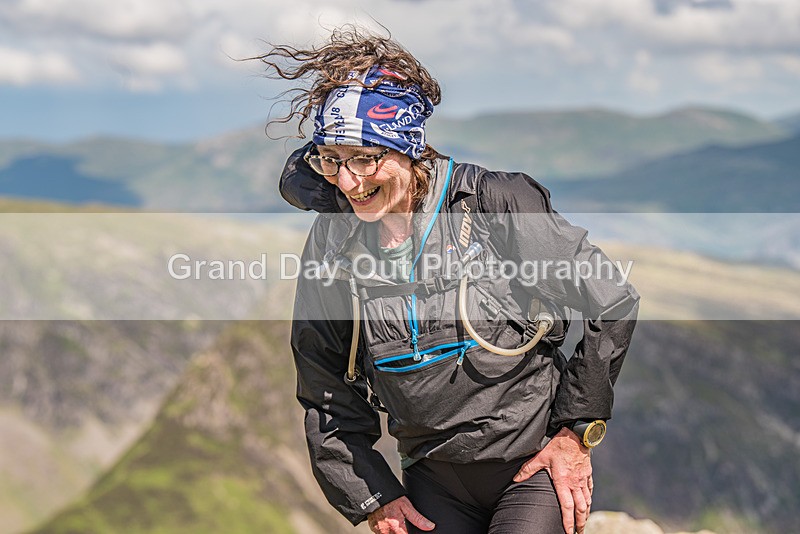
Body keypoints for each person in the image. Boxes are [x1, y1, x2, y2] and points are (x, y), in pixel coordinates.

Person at [257, 26, 639, 534]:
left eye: (365, 159)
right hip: (430, 483)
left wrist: (575, 434)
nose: (348, 182)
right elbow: (325, 386)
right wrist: (373, 495)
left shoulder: (494, 205)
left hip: (529, 468)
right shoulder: (334, 241)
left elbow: (611, 302)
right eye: (333, 160)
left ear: (408, 148)